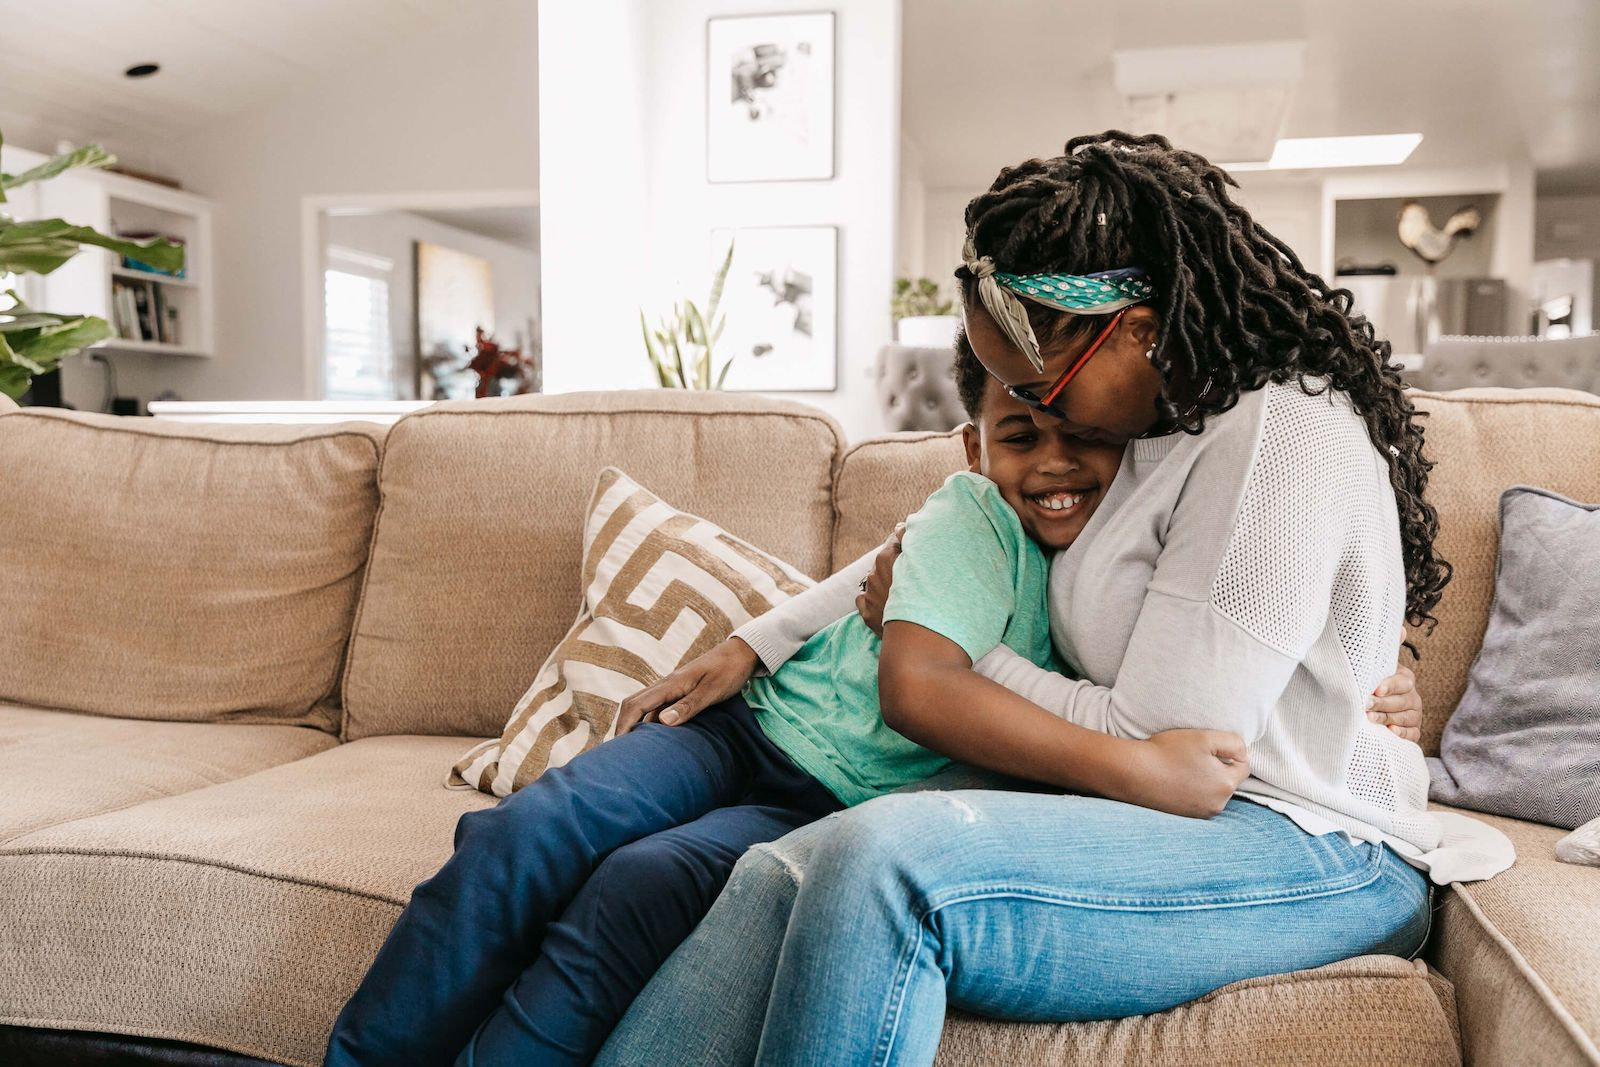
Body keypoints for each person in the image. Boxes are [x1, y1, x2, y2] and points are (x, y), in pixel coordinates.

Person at [594, 130, 1514, 1067]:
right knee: (779, 870)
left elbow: (1169, 750)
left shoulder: (1276, 435)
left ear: (1140, 330)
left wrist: (956, 652)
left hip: (1307, 838)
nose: (1038, 417)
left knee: (883, 864)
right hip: (1164, 812)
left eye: (1044, 387)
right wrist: (766, 636)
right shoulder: (1146, 421)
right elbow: (944, 540)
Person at [323, 351, 1250, 1067]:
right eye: (1019, 436)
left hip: (835, 804)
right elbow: (878, 565)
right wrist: (748, 646)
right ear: (974, 448)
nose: (1054, 462)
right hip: (749, 726)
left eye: (1081, 435)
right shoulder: (968, 507)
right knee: (531, 827)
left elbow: (1153, 699)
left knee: (642, 883)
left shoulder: (1132, 569)